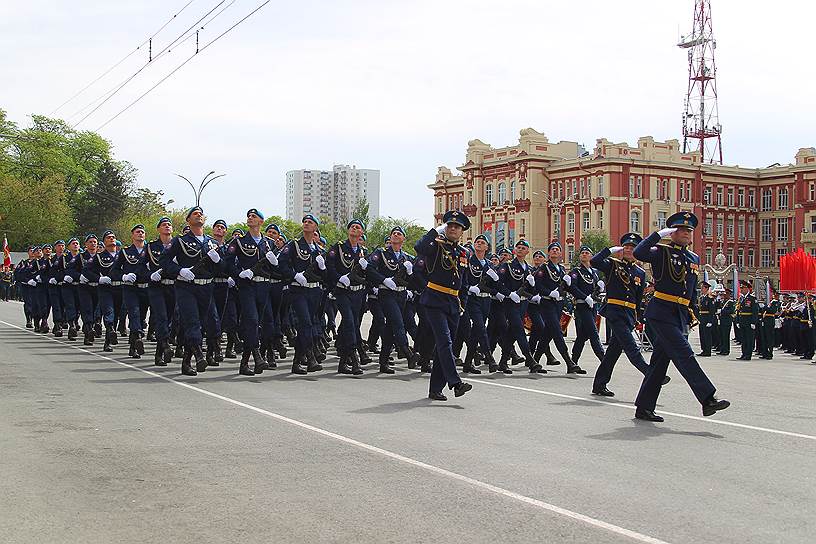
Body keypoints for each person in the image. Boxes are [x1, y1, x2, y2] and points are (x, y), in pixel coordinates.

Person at [632, 212, 729, 421]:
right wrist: (658, 235)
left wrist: (691, 313)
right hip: (661, 312)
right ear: (672, 232)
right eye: (681, 229)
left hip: (679, 315)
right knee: (685, 354)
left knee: (659, 364)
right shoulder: (660, 251)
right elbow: (639, 252)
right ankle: (707, 398)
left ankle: (644, 407)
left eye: (689, 230)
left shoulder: (693, 258)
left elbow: (691, 289)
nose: (686, 233)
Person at [590, 233, 664, 397]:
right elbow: (594, 262)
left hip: (629, 314)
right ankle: (649, 372)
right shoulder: (612, 265)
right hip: (615, 312)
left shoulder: (639, 272)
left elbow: (638, 298)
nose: (629, 250)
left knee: (613, 353)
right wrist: (608, 250)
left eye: (633, 248)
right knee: (632, 347)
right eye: (627, 247)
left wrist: (638, 318)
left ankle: (599, 384)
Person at [414, 210, 473, 400]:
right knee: (444, 342)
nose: (453, 229)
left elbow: (463, 282)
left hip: (453, 304)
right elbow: (419, 247)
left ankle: (435, 388)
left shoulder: (464, 253)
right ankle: (455, 383)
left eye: (457, 227)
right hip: (434, 300)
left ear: (462, 231)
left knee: (444, 347)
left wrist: (462, 304)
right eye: (450, 225)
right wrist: (434, 231)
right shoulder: (436, 246)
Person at [159, 206, 221, 376]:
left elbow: (222, 268)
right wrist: (180, 270)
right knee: (192, 322)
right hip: (186, 287)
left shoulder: (212, 243)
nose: (199, 215)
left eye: (201, 213)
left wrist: (217, 260)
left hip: (206, 287)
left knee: (197, 325)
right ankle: (199, 355)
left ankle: (186, 362)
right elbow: (164, 260)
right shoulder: (180, 241)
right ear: (188, 220)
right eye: (195, 214)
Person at [227, 208, 275, 376]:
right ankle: (257, 355)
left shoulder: (268, 243)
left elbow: (277, 268)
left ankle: (244, 362)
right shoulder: (239, 242)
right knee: (252, 321)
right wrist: (238, 273)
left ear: (261, 221)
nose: (250, 218)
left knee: (258, 325)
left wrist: (274, 262)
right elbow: (227, 262)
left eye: (254, 217)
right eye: (248, 216)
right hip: (247, 286)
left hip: (264, 287)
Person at [277, 214, 326, 374]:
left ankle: (297, 362)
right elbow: (281, 265)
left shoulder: (318, 250)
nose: (306, 224)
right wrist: (294, 275)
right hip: (298, 290)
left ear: (316, 228)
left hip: (314, 291)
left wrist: (323, 268)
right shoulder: (294, 245)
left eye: (310, 222)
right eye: (304, 221)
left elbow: (325, 276)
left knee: (308, 325)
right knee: (305, 323)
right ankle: (310, 358)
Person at [531, 242, 586, 373]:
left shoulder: (561, 269)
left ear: (561, 253)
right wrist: (549, 293)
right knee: (557, 332)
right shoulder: (543, 268)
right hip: (547, 303)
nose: (555, 251)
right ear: (549, 253)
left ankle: (534, 361)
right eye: (552, 249)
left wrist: (572, 287)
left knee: (547, 334)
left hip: (558, 304)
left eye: (557, 249)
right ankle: (569, 362)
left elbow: (568, 287)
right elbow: (537, 285)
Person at [112, 225, 150, 358]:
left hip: (146, 287)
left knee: (141, 316)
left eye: (142, 232)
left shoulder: (150, 250)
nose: (140, 234)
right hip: (130, 288)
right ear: (132, 235)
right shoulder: (125, 252)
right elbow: (114, 271)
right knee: (134, 313)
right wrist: (124, 276)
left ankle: (133, 346)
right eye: (137, 232)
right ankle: (138, 337)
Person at [567, 245, 605, 365]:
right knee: (594, 333)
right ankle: (604, 360)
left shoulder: (594, 273)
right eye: (582, 253)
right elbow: (572, 287)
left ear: (591, 256)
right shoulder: (575, 272)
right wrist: (584, 297)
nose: (584, 254)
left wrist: (600, 289)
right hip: (582, 306)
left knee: (582, 336)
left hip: (593, 306)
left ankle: (573, 360)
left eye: (587, 252)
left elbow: (596, 290)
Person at [146, 217, 176, 366]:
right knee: (162, 317)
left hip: (174, 286)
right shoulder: (151, 247)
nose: (167, 227)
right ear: (158, 229)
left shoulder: (178, 245)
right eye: (164, 225)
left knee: (169, 319)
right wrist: (150, 275)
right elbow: (139, 266)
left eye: (169, 225)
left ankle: (161, 350)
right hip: (157, 287)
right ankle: (163, 348)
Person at [85, 231, 120, 352]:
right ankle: (110, 330)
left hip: (120, 288)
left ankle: (108, 341)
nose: (111, 239)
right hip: (106, 288)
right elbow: (86, 271)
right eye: (108, 238)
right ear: (104, 242)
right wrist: (99, 279)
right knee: (109, 311)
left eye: (113, 237)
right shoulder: (99, 257)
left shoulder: (122, 255)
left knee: (116, 315)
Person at [736, 280, 758, 361]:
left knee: (749, 339)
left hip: (749, 321)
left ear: (748, 289)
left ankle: (748, 355)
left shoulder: (752, 299)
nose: (741, 289)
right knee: (743, 339)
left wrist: (753, 322)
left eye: (743, 288)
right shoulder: (741, 299)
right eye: (741, 288)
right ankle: (744, 353)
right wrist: (738, 321)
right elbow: (739, 311)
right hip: (742, 321)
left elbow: (755, 311)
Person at [759, 286, 780, 359]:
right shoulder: (770, 302)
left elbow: (773, 311)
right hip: (765, 320)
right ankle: (764, 353)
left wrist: (764, 307)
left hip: (770, 321)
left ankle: (769, 353)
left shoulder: (776, 302)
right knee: (764, 337)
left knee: (769, 338)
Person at [697, 281, 715, 356]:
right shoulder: (701, 298)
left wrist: (710, 321)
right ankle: (704, 350)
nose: (701, 289)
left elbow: (712, 310)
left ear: (706, 288)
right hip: (702, 318)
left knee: (707, 336)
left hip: (707, 318)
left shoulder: (710, 298)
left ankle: (708, 351)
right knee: (702, 335)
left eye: (702, 288)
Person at [716, 287, 735, 356]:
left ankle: (726, 350)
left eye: (726, 294)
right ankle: (722, 349)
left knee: (725, 336)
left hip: (727, 321)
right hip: (721, 321)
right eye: (724, 294)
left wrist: (722, 311)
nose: (724, 295)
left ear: (729, 295)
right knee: (721, 336)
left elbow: (731, 311)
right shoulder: (722, 302)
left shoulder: (731, 302)